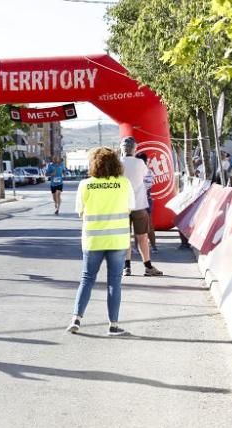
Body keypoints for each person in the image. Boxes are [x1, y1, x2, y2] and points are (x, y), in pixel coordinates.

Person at [67, 147, 137, 336]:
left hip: (93, 240)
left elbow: (80, 211)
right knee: (114, 282)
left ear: (93, 164)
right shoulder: (124, 183)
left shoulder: (85, 185)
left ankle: (76, 319)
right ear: (116, 163)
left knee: (87, 279)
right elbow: (131, 207)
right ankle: (113, 325)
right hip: (117, 240)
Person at [120, 136, 163, 277]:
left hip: (122, 206)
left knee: (125, 237)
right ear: (135, 149)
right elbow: (147, 180)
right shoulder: (140, 163)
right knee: (142, 237)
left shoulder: (117, 163)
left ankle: (127, 267)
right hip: (138, 204)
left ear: (122, 149)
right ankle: (148, 266)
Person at [135, 152, 158, 253]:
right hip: (147, 199)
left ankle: (136, 247)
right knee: (149, 224)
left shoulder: (136, 172)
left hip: (138, 199)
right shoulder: (149, 171)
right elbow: (148, 185)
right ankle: (153, 247)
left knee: (135, 223)